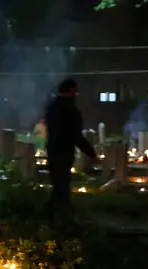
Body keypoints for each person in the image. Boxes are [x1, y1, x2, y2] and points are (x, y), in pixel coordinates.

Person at [44, 78, 97, 220]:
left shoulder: (51, 108)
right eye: (75, 92)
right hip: (64, 150)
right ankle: (62, 214)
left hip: (52, 149)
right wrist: (91, 153)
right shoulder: (71, 111)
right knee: (62, 183)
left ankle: (53, 213)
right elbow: (75, 135)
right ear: (71, 91)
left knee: (57, 182)